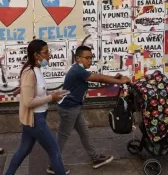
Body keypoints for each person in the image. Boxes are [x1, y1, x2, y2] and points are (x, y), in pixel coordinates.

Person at [46, 45, 132, 174]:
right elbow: (97, 78)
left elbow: (97, 76)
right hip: (69, 108)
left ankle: (95, 158)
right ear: (78, 58)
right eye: (87, 58)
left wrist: (114, 78)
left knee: (84, 133)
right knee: (62, 137)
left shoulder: (80, 70)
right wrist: (119, 82)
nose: (90, 61)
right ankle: (53, 165)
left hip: (75, 107)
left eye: (91, 58)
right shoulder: (77, 70)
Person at [6, 39, 69, 175]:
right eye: (45, 52)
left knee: (24, 150)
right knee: (54, 150)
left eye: (48, 51)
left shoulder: (37, 70)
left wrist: (52, 94)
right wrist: (51, 98)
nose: (49, 54)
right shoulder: (30, 73)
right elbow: (29, 102)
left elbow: (37, 93)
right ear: (36, 55)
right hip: (35, 120)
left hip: (37, 117)